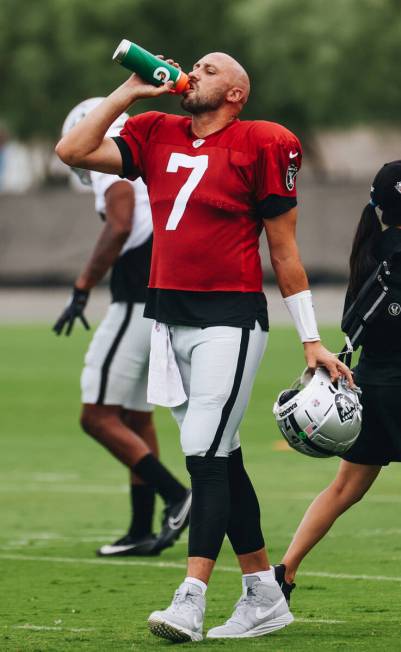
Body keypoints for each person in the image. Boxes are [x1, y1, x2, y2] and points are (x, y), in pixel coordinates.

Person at [55, 52, 352, 641]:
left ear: (237, 93)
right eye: (195, 65)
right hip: (168, 320)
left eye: (211, 69)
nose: (195, 71)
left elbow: (284, 251)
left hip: (230, 321)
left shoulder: (263, 142)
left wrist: (312, 338)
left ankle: (190, 599)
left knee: (202, 450)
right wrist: (130, 91)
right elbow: (73, 152)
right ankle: (264, 594)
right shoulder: (153, 131)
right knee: (224, 456)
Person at [54, 98, 191, 558]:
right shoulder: (147, 154)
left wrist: (82, 285)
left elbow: (119, 224)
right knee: (135, 417)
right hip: (158, 295)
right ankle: (139, 529)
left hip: (135, 299)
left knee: (96, 416)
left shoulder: (111, 161)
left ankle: (176, 495)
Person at [275, 161, 401, 601]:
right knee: (346, 487)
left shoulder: (371, 248)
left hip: (372, 383)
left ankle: (283, 573)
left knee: (345, 488)